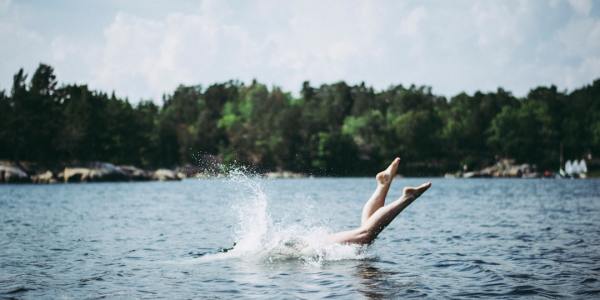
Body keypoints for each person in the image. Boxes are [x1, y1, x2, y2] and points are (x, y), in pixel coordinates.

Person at [327, 157, 431, 245]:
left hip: (315, 246)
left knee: (365, 235)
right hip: (314, 244)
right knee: (364, 232)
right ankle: (383, 184)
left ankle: (407, 198)